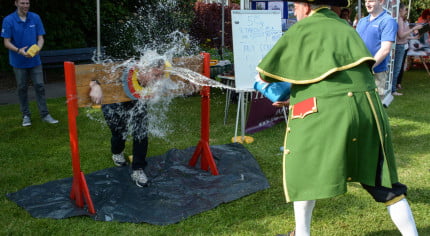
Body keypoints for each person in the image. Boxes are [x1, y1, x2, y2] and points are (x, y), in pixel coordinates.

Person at [256, 0, 418, 235]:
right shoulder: (346, 27)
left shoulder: (303, 28)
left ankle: (302, 233)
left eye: (296, 6)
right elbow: (336, 74)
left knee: (303, 171)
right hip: (368, 109)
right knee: (385, 183)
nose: (294, 10)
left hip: (324, 112)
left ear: (307, 6)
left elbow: (264, 74)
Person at [89, 59, 165, 187]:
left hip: (136, 102)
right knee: (119, 133)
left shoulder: (156, 77)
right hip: (113, 104)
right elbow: (95, 75)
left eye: (161, 75)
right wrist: (95, 86)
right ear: (142, 71)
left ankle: (138, 169)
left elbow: (173, 77)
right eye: (156, 75)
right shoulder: (124, 68)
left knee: (141, 134)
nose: (159, 79)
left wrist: (188, 83)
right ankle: (117, 152)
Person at [1, 0, 58, 127]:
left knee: (40, 86)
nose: (25, 5)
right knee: (22, 88)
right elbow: (6, 42)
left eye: (27, 3)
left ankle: (45, 114)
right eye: (22, 3)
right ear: (15, 3)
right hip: (18, 61)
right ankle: (26, 116)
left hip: (35, 60)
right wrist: (19, 51)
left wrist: (38, 48)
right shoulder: (8, 20)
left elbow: (41, 38)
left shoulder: (35, 17)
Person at [356, 0, 398, 100]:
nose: (367, 4)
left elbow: (385, 49)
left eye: (371, 1)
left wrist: (369, 67)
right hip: (359, 70)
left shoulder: (388, 21)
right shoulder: (362, 21)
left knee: (376, 105)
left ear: (381, 2)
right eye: (366, 1)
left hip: (376, 72)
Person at [392, 3, 423, 96]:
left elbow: (403, 36)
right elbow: (401, 35)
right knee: (397, 69)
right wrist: (414, 29)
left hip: (401, 45)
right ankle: (393, 90)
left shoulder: (400, 19)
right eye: (405, 9)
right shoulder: (399, 20)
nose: (406, 12)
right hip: (399, 46)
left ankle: (393, 88)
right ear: (400, 10)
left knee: (397, 68)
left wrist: (413, 37)